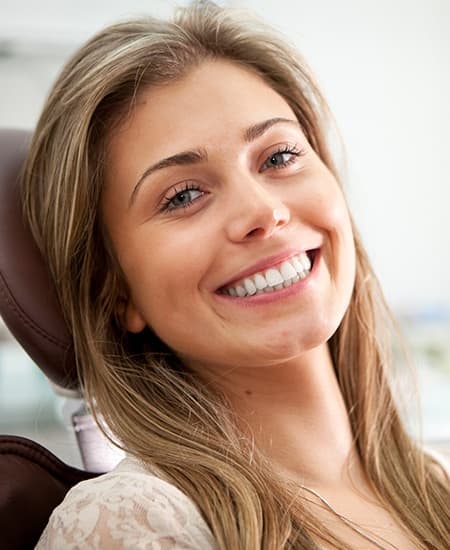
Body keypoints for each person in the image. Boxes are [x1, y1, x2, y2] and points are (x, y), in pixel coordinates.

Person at [22, 1, 448, 548]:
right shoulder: (133, 523)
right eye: (184, 195)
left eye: (278, 157)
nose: (263, 212)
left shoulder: (439, 482)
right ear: (116, 290)